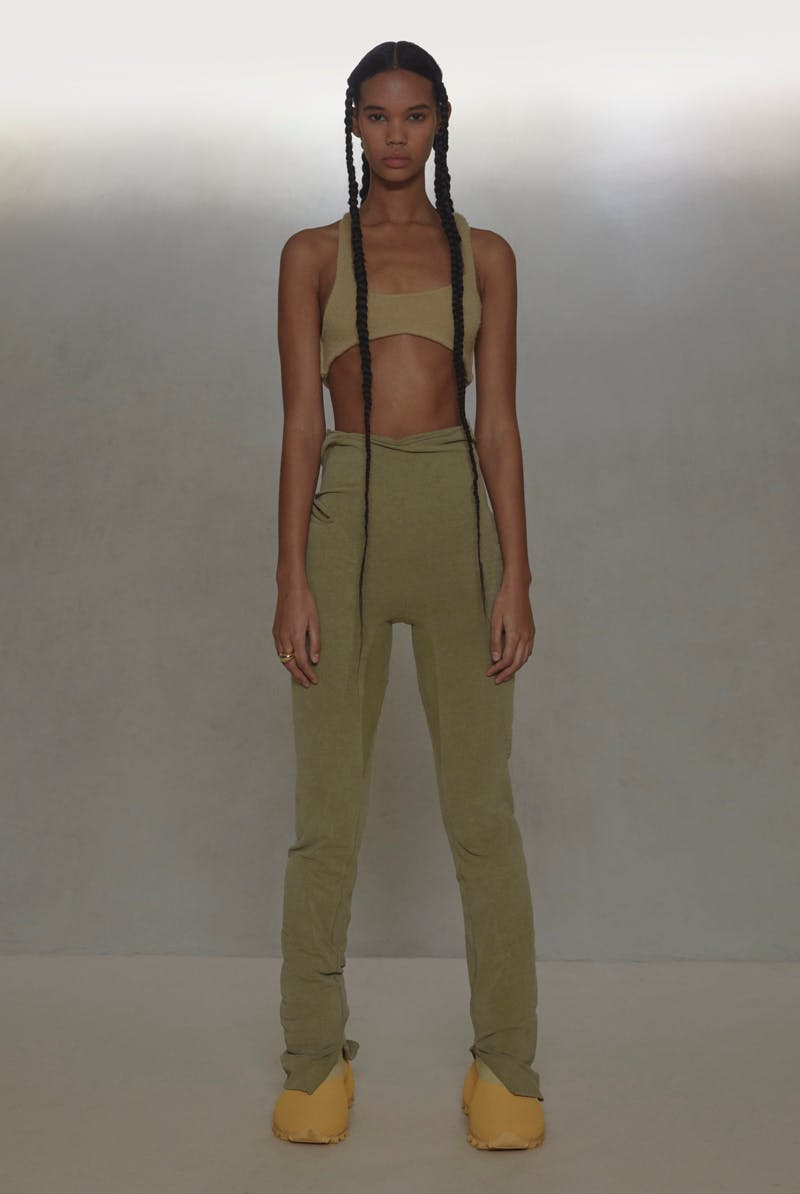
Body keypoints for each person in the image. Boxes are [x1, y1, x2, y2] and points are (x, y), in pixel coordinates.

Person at [271, 40, 545, 1151]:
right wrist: (289, 575)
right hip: (344, 517)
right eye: (377, 115)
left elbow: (500, 424)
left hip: (454, 519)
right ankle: (311, 1066)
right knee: (326, 817)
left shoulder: (485, 255)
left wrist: (516, 571)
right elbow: (300, 424)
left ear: (439, 123)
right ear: (352, 123)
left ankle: (506, 1070)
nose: (395, 134)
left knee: (480, 813)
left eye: (414, 115)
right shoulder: (309, 255)